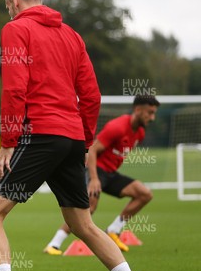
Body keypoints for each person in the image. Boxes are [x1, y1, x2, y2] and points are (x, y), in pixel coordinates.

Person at [0, 0, 156, 271]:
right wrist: (84, 141)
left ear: (14, 2)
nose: (7, 10)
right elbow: (92, 95)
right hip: (70, 137)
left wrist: (8, 142)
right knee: (82, 223)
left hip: (38, 134)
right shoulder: (72, 35)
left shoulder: (15, 30)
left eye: (7, 4)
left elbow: (14, 89)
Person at [44, 95, 160, 255]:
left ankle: (113, 230)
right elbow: (92, 150)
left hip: (110, 174)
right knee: (88, 208)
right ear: (137, 110)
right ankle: (54, 244)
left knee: (144, 194)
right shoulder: (117, 126)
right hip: (95, 170)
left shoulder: (140, 132)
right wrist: (94, 178)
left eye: (154, 113)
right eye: (150, 112)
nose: (152, 117)